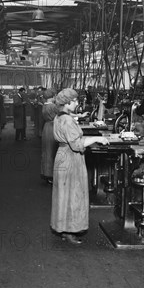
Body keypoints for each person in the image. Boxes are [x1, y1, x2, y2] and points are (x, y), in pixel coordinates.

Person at [51, 88, 109, 244]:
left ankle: (63, 228)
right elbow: (77, 145)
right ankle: (70, 231)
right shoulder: (68, 120)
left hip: (62, 156)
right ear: (68, 102)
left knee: (64, 195)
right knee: (73, 194)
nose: (77, 103)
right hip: (71, 159)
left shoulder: (60, 116)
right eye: (75, 101)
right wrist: (98, 140)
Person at [40, 89, 58, 184]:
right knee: (52, 151)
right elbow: (61, 115)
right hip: (52, 128)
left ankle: (46, 173)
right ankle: (51, 175)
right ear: (53, 96)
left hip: (46, 128)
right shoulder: (53, 106)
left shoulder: (45, 105)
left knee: (47, 151)